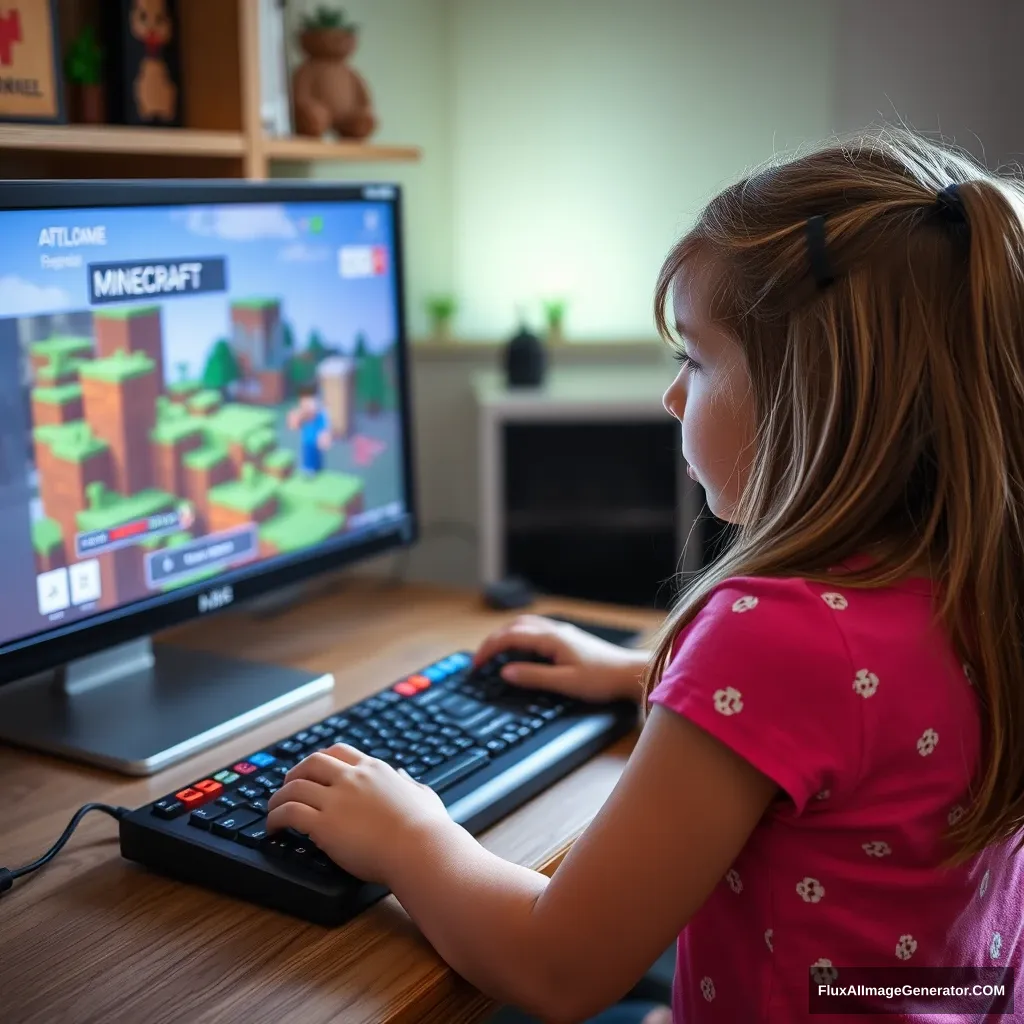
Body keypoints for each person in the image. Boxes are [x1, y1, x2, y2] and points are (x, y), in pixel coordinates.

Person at [266, 129, 1024, 1022]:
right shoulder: (981, 579)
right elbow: (868, 732)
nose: (672, 397)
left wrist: (409, 834)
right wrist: (642, 676)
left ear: (808, 399)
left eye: (695, 361)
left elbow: (558, 969)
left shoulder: (776, 634)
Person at [286, 382, 332, 475]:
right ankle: (309, 469)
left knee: (317, 460)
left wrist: (324, 437)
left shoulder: (321, 412)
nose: (306, 403)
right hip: (307, 441)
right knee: (308, 457)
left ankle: (316, 470)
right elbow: (295, 424)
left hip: (316, 441)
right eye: (303, 400)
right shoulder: (303, 411)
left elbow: (325, 425)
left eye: (310, 400)